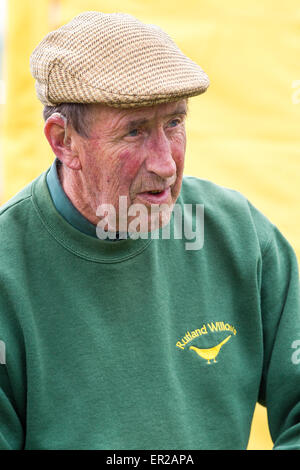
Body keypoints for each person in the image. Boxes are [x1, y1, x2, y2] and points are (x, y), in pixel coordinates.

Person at [0, 11, 299, 451]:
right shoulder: (9, 266)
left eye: (174, 123)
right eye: (135, 131)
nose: (166, 162)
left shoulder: (239, 234)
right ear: (63, 141)